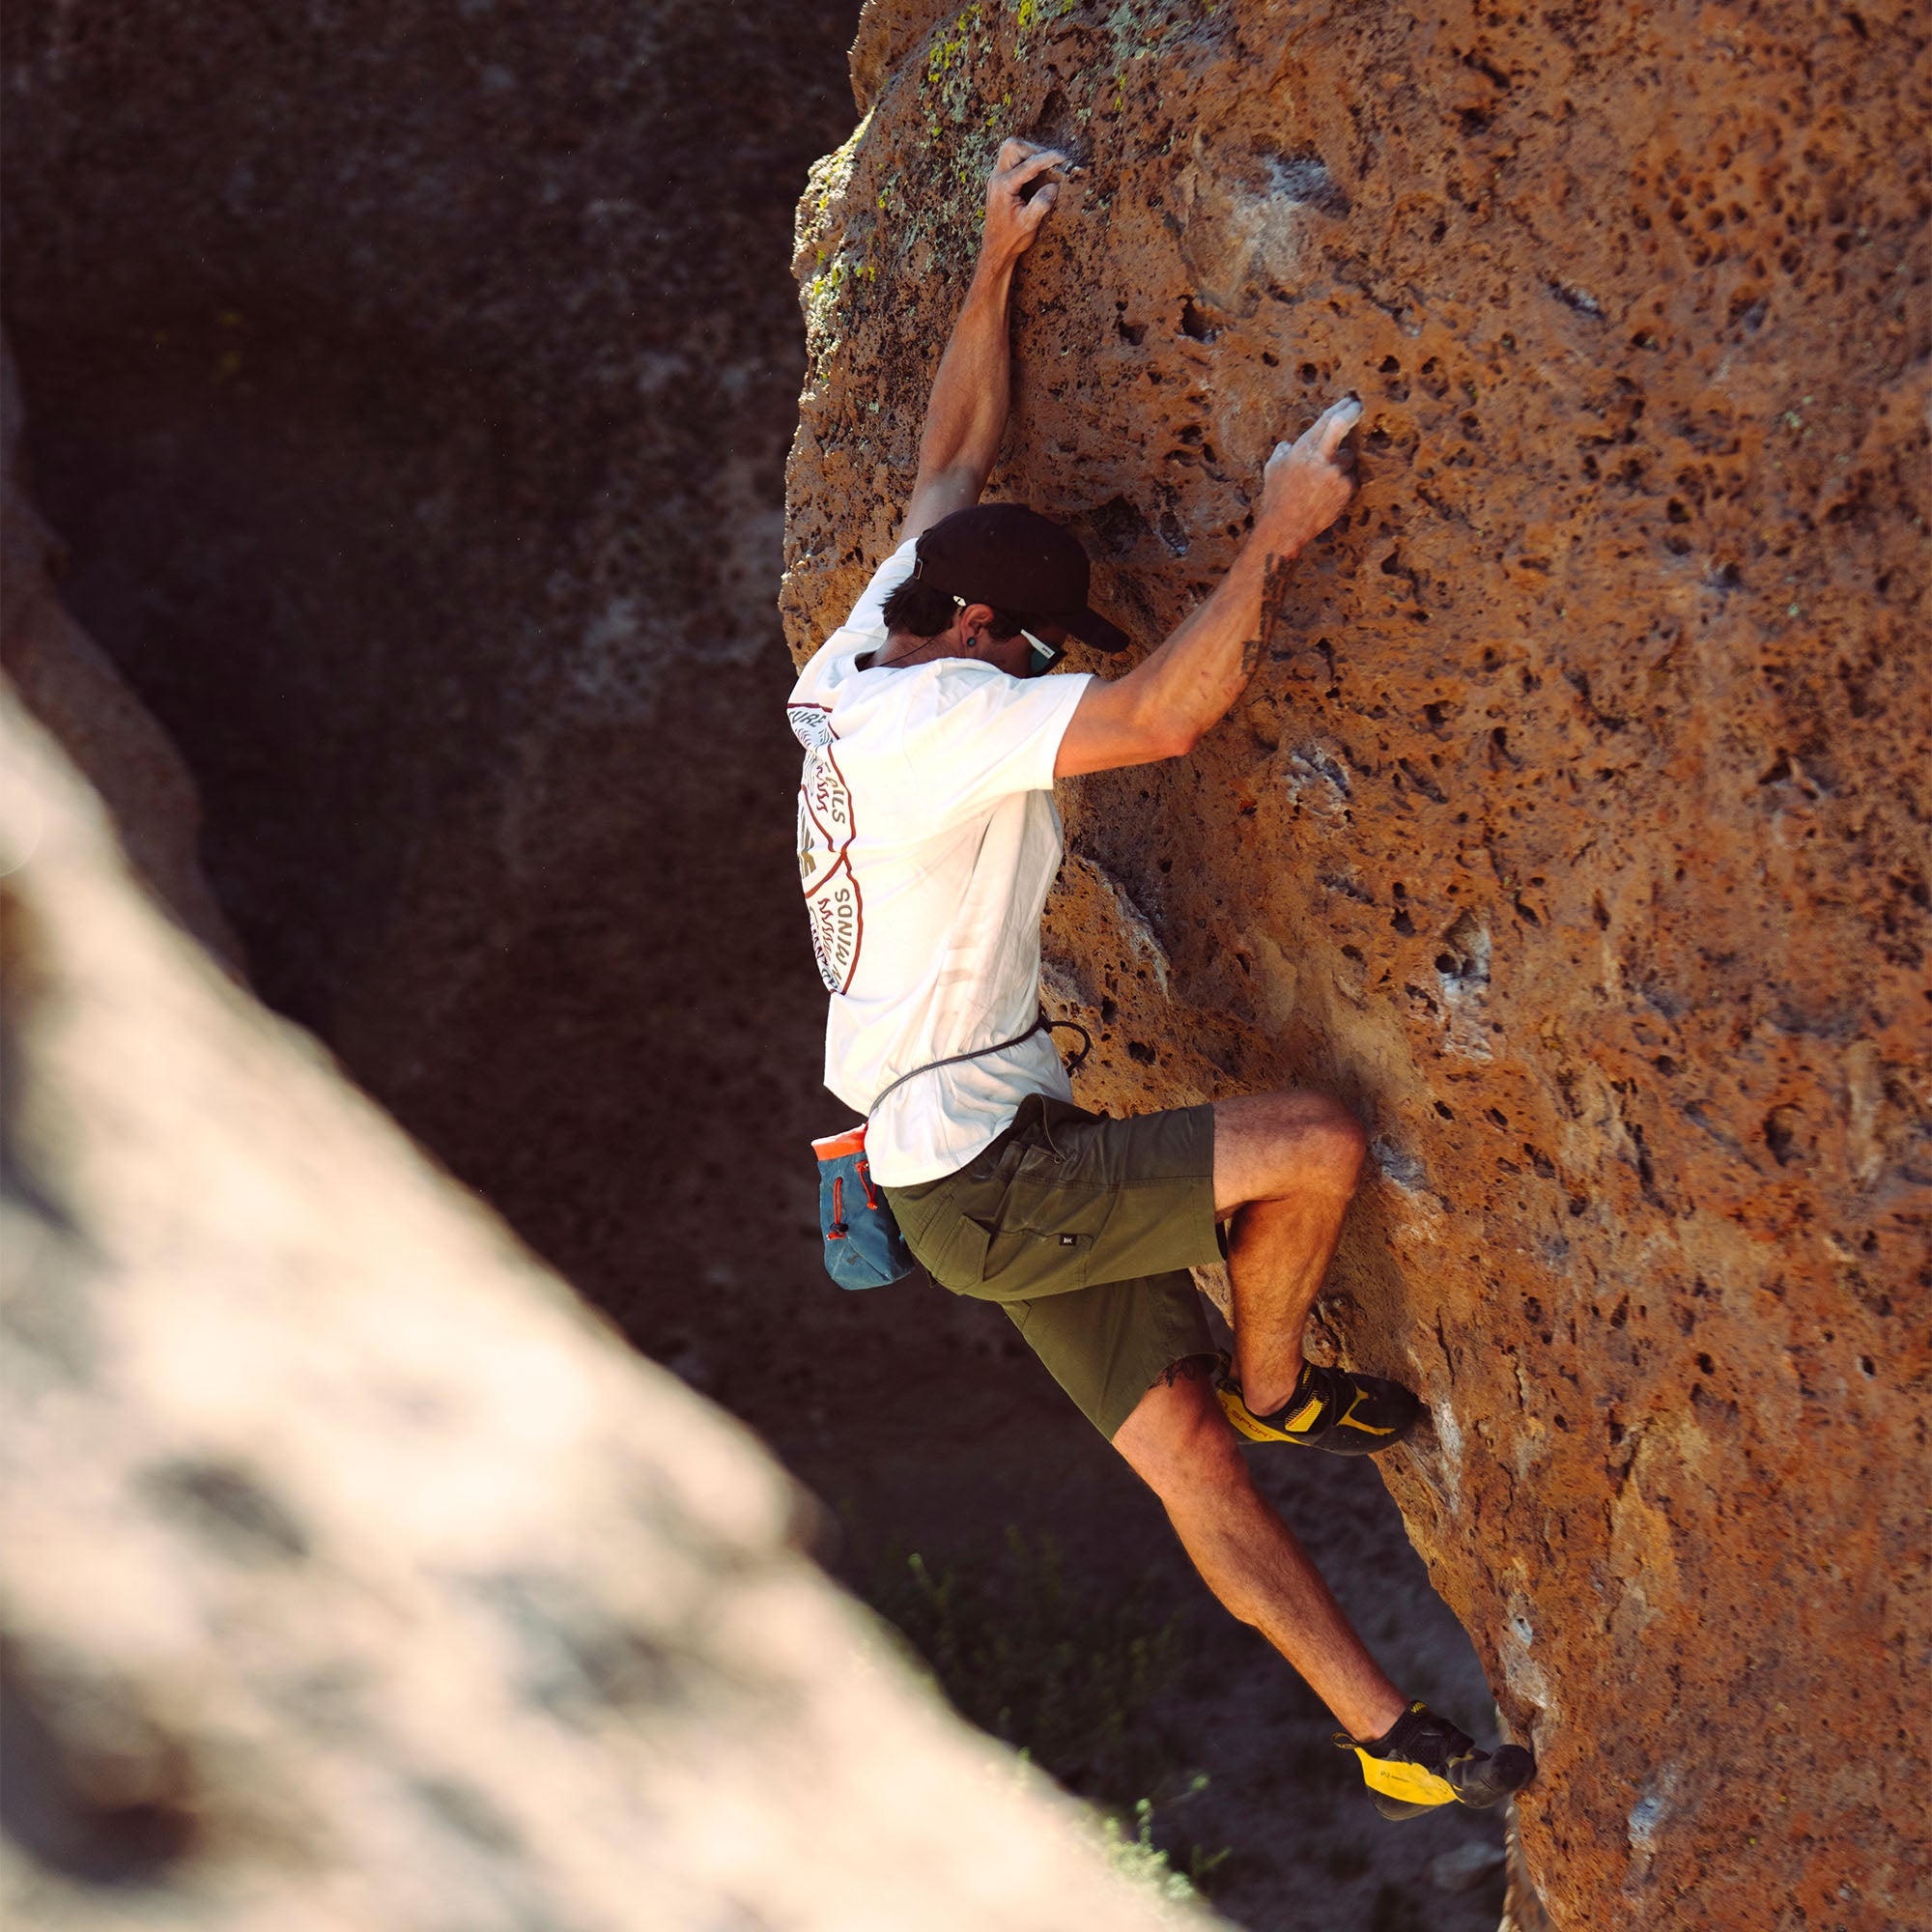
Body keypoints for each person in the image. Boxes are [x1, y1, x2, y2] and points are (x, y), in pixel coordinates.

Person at [786, 137, 1535, 1822]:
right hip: (987, 1181)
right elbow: (1165, 717)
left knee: (1177, 1461)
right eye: (1039, 653)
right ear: (979, 632)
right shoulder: (941, 727)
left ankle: (1387, 1742)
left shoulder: (871, 642)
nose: (1047, 682)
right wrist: (1274, 537)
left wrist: (995, 263)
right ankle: (1281, 1387)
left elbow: (951, 453)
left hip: (942, 1170)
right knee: (1312, 1145)